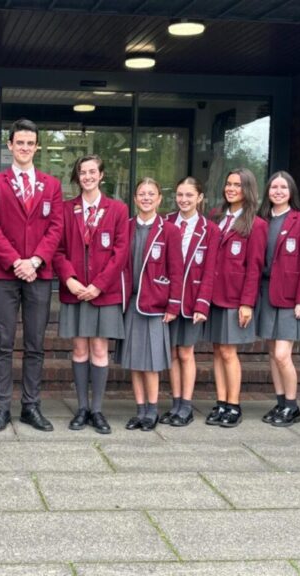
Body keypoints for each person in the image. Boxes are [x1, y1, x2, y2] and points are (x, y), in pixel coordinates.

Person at [0, 118, 64, 432]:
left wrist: (36, 260)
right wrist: (16, 261)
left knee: (35, 344)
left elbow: (56, 227)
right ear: (10, 145)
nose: (25, 148)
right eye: (20, 143)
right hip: (5, 273)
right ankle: (2, 407)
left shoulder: (51, 185)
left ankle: (31, 406)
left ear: (37, 147)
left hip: (39, 274)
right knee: (3, 343)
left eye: (30, 143)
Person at [53, 155, 129, 434]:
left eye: (92, 171)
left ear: (101, 175)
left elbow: (121, 252)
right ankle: (82, 407)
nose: (87, 176)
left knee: (99, 349)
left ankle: (97, 410)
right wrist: (69, 279)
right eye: (82, 172)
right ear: (78, 177)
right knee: (79, 349)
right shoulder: (66, 209)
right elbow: (57, 249)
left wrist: (99, 284)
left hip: (103, 293)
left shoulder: (117, 209)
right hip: (74, 291)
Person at [118, 177, 183, 432]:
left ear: (159, 199)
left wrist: (173, 305)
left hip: (155, 303)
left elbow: (176, 270)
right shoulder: (126, 227)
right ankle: (140, 409)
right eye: (142, 194)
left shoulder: (169, 230)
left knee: (152, 362)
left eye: (151, 194)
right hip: (131, 303)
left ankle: (152, 411)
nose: (146, 198)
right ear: (135, 199)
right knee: (134, 361)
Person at [206, 168, 267, 427]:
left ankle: (234, 405)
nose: (231, 189)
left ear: (247, 189)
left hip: (235, 297)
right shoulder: (216, 216)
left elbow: (254, 268)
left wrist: (246, 303)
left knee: (229, 352)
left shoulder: (256, 224)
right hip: (213, 295)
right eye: (228, 184)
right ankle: (221, 402)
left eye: (237, 185)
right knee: (217, 350)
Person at [256, 171, 300, 426]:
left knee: (283, 354)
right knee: (272, 352)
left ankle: (292, 406)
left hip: (291, 297)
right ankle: (280, 402)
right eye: (274, 187)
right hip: (266, 294)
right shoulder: (262, 219)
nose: (278, 191)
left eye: (283, 187)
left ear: (291, 191)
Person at [163, 177, 219, 427]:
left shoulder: (210, 229)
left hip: (192, 300)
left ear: (200, 198)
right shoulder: (165, 222)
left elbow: (210, 270)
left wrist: (202, 303)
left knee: (186, 352)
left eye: (189, 195)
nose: (183, 200)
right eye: (180, 195)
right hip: (168, 301)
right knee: (172, 353)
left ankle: (186, 405)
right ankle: (175, 403)